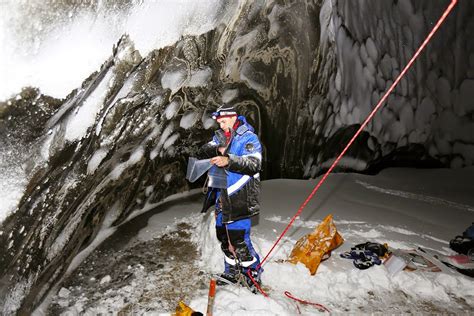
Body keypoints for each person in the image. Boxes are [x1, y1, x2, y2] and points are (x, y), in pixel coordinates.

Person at [197, 104, 263, 290]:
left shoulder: (248, 138)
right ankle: (232, 272)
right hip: (221, 196)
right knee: (224, 238)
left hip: (239, 196)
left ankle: (253, 275)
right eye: (218, 121)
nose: (220, 124)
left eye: (223, 120)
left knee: (239, 240)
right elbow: (202, 151)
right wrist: (214, 150)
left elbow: (253, 164)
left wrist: (228, 159)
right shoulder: (219, 136)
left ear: (234, 117)